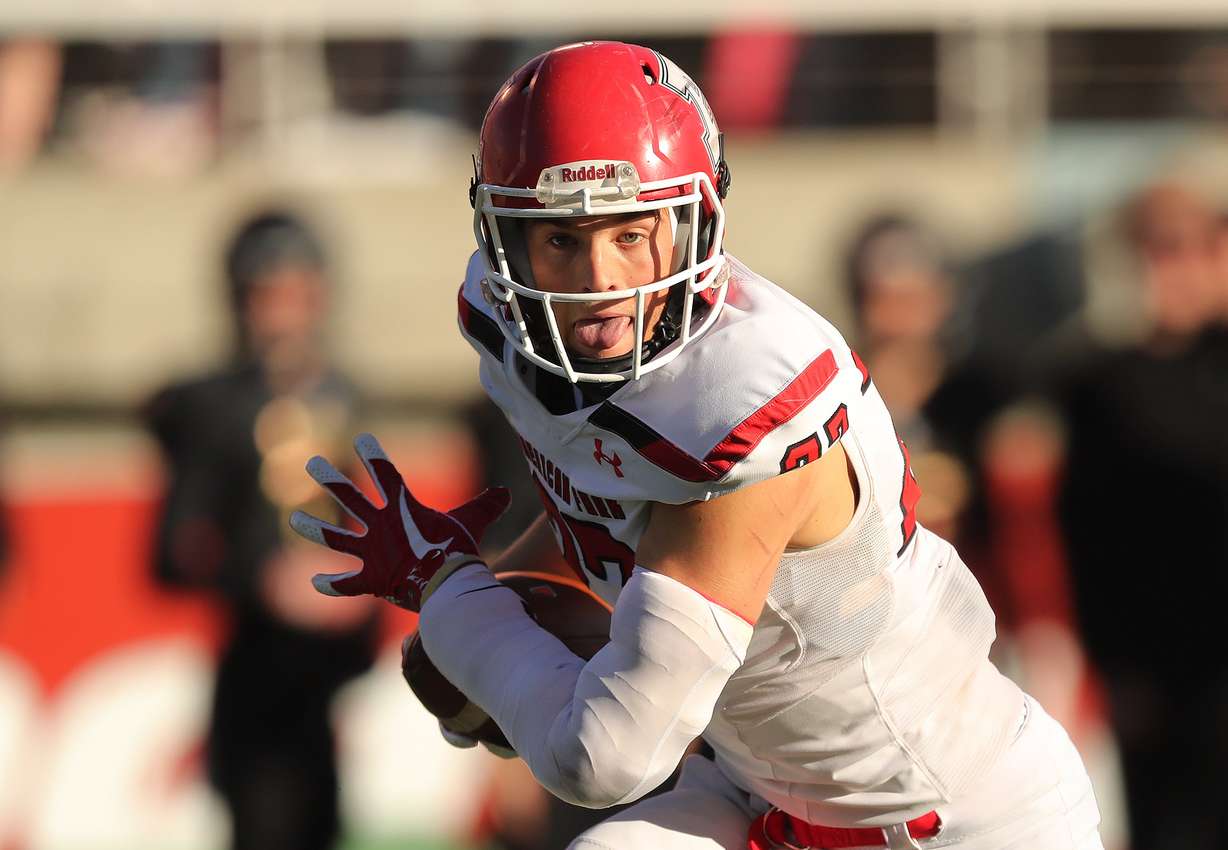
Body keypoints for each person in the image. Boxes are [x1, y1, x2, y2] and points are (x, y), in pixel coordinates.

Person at [291, 42, 1103, 850]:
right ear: (505, 238)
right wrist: (504, 605)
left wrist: (452, 596)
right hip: (755, 786)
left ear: (695, 221)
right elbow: (603, 518)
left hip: (951, 817)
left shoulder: (741, 399)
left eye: (629, 233)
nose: (601, 279)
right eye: (561, 242)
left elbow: (603, 759)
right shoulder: (516, 335)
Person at [146, 208, 378, 850]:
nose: (284, 315)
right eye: (268, 296)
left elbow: (368, 525)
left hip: (323, 680)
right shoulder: (208, 405)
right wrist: (260, 578)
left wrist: (355, 594)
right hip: (253, 679)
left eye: (298, 295)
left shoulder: (341, 396)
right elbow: (167, 556)